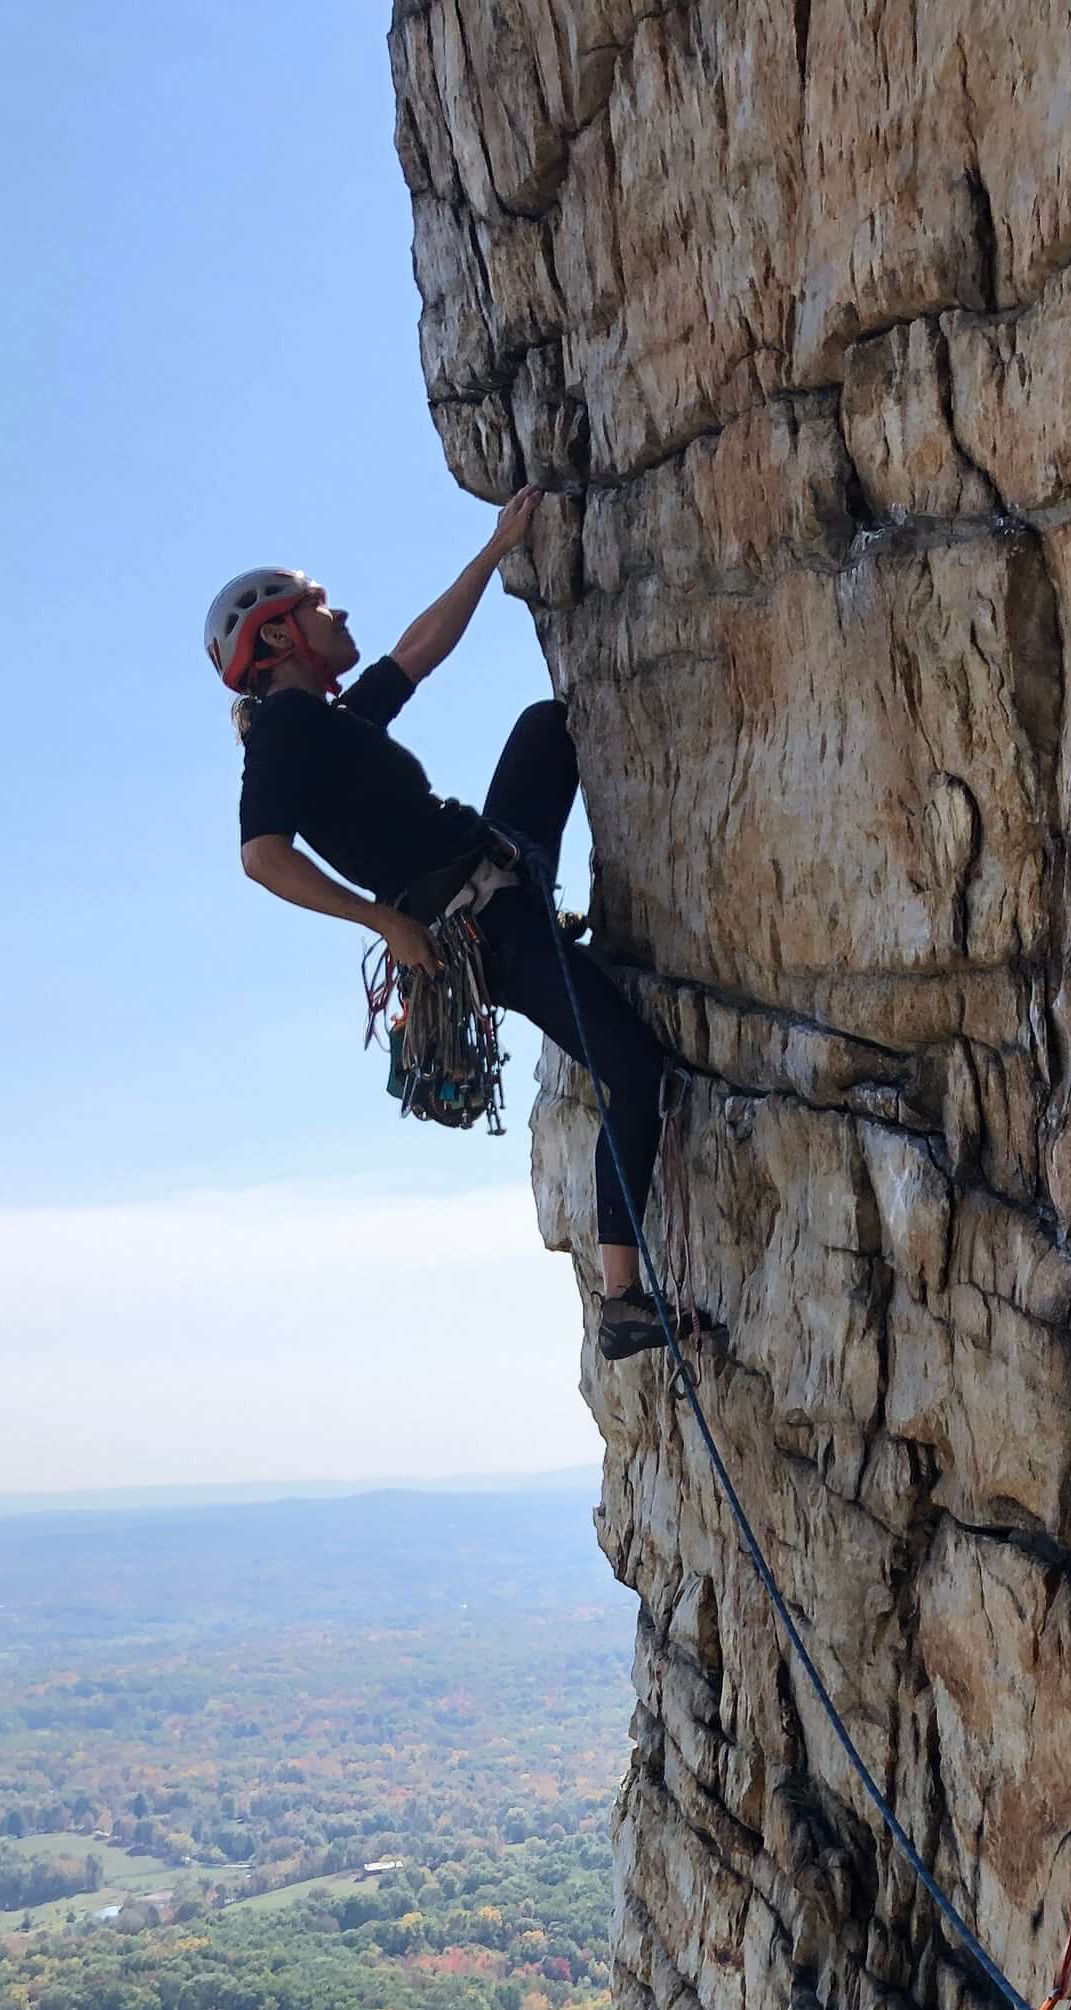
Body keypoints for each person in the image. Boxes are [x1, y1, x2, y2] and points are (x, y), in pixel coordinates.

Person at [211, 491, 696, 1362]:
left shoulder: (324, 724)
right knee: (635, 1065)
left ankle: (545, 896)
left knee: (547, 728)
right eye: (319, 606)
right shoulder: (284, 729)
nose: (341, 611)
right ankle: (623, 1297)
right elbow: (262, 855)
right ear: (281, 638)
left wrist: (494, 548)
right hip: (485, 928)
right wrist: (381, 921)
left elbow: (414, 653)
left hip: (499, 876)